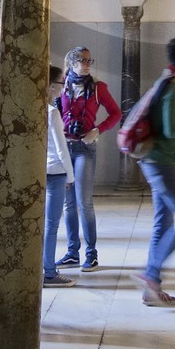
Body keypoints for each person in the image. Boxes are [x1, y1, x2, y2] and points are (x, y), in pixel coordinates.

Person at [137, 35, 175, 307]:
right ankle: (150, 275)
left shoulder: (166, 80)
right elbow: (171, 129)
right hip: (163, 163)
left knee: (163, 222)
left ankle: (152, 290)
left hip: (156, 160)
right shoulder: (173, 87)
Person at [57, 45, 121, 271]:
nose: (87, 64)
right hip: (64, 146)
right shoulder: (62, 86)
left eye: (89, 60)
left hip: (85, 147)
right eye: (83, 60)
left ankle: (91, 253)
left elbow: (116, 113)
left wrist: (98, 130)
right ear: (72, 63)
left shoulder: (97, 88)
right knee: (68, 203)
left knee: (84, 202)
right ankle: (72, 252)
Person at [44, 66, 76, 288]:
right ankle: (48, 271)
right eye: (60, 83)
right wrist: (70, 176)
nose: (63, 87)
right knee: (51, 225)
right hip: (55, 171)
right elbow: (61, 147)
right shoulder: (51, 112)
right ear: (50, 85)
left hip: (39, 170)